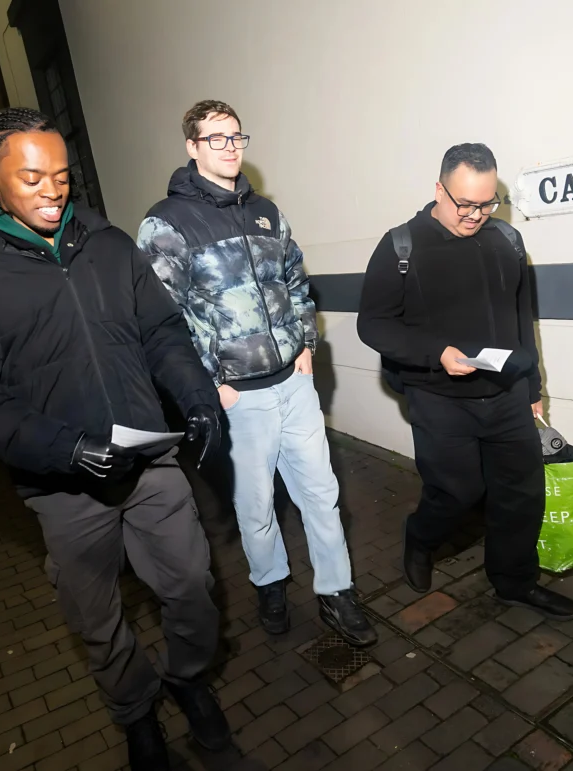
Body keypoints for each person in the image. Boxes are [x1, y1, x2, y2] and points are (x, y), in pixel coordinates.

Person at [0, 108, 228, 770]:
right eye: (31, 176)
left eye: (61, 175)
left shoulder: (109, 244)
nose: (52, 190)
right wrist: (63, 450)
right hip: (63, 488)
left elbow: (162, 332)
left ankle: (186, 677)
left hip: (150, 462)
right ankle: (135, 711)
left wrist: (198, 398)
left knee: (192, 587)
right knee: (97, 620)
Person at [138, 100, 376, 647]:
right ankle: (270, 582)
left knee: (321, 493)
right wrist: (209, 387)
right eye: (216, 138)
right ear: (192, 147)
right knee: (256, 507)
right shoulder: (166, 223)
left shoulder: (266, 211)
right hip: (236, 398)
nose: (230, 147)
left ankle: (337, 592)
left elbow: (295, 280)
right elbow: (163, 319)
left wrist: (306, 345)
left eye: (236, 137)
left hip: (293, 385)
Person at [356, 143, 573, 621]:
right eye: (465, 204)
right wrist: (435, 354)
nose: (476, 214)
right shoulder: (401, 245)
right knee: (458, 492)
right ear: (439, 189)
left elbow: (522, 319)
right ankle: (421, 538)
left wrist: (532, 390)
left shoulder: (507, 241)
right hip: (437, 396)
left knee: (522, 493)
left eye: (487, 202)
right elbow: (372, 324)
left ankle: (514, 582)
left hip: (505, 394)